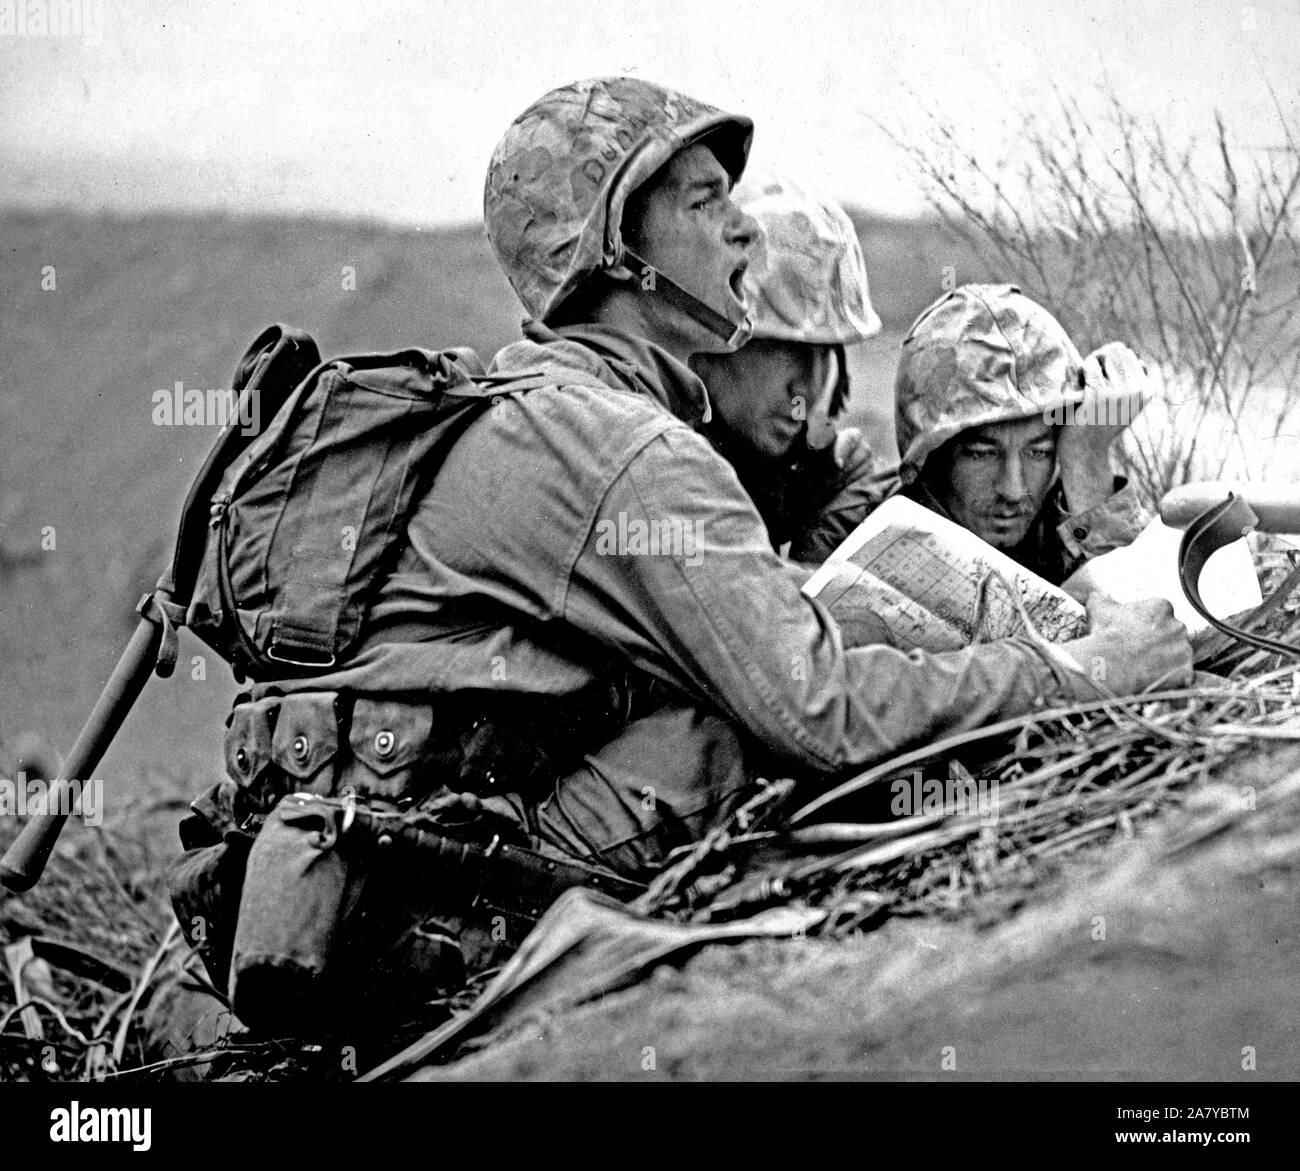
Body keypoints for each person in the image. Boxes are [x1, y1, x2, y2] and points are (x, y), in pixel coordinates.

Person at [196, 80, 1191, 989]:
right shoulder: (624, 451)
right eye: (704, 202)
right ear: (614, 248)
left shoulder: (534, 405)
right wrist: (1091, 668)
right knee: (730, 736)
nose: (745, 232)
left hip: (375, 888)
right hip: (446, 931)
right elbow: (821, 712)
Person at [691, 176, 894, 564]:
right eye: (784, 350)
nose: (807, 387)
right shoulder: (656, 466)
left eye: (824, 352)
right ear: (711, 343)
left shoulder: (828, 471)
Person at [893, 283, 1152, 586]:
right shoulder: (854, 533)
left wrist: (1085, 458)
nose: (1014, 491)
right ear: (930, 460)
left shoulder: (1056, 533)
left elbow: (1144, 619)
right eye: (982, 454)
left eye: (1038, 452)